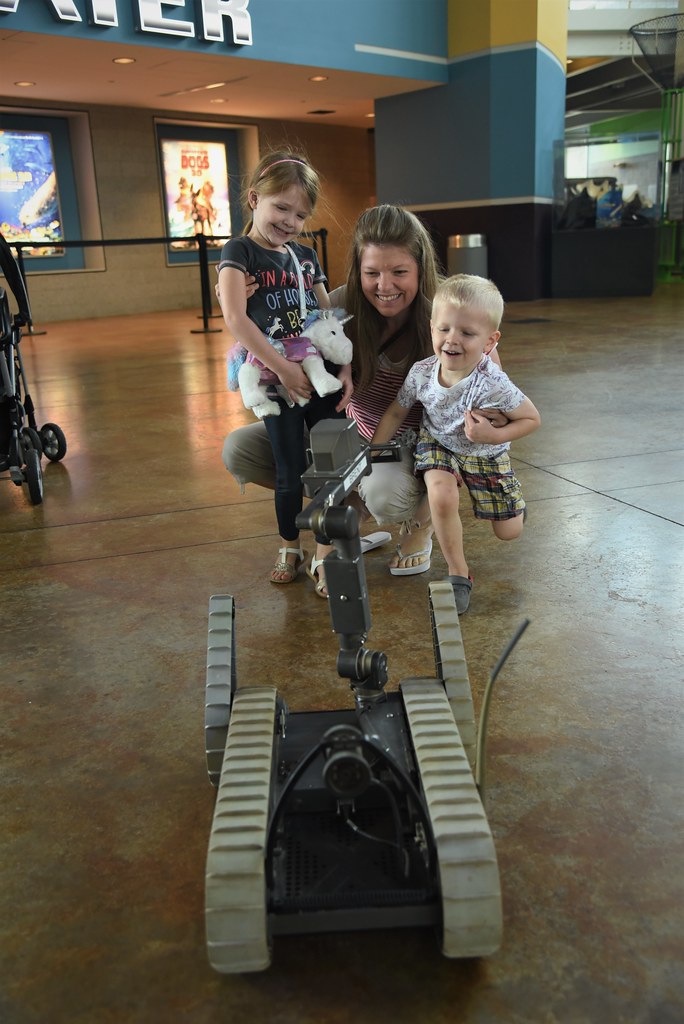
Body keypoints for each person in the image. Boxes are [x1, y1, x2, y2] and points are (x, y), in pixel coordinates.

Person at [222, 203, 503, 595]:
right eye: (372, 273)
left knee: (382, 493)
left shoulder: (448, 313)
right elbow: (275, 331)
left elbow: (492, 397)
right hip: (356, 434)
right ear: (358, 270)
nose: (384, 286)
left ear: (421, 269)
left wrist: (478, 437)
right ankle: (346, 518)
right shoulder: (341, 304)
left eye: (399, 272)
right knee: (240, 449)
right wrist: (241, 298)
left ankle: (418, 522)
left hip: (415, 448)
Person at [217, 149, 352, 588]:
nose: (290, 221)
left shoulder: (305, 255)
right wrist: (283, 370)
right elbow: (236, 318)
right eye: (282, 208)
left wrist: (344, 368)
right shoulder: (239, 251)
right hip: (277, 379)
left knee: (331, 463)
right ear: (254, 198)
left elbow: (326, 316)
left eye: (301, 214)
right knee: (289, 468)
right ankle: (290, 545)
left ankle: (327, 549)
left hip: (315, 373)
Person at [371, 274, 541, 615]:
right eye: (444, 328)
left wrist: (493, 436)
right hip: (438, 442)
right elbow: (396, 411)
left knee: (509, 532)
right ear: (432, 328)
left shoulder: (494, 383)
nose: (452, 339)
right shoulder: (421, 372)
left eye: (467, 333)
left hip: (485, 452)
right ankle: (458, 574)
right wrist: (374, 451)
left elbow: (531, 419)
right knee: (441, 493)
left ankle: (515, 509)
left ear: (490, 341)